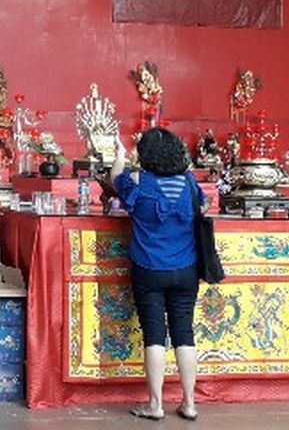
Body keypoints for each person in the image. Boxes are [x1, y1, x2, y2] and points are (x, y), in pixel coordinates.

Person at [111, 127, 204, 422]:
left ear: (146, 154)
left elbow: (115, 180)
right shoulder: (189, 184)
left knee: (155, 336)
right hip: (186, 269)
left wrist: (119, 155)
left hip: (149, 269)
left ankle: (156, 405)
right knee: (184, 334)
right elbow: (202, 205)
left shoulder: (138, 181)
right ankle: (189, 403)